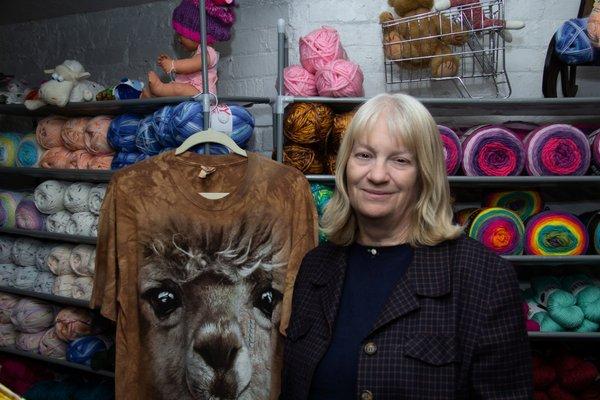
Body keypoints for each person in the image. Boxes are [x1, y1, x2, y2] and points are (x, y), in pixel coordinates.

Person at [280, 93, 532, 399]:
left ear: (424, 174)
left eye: (400, 160)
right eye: (364, 155)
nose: (376, 175)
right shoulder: (316, 267)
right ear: (345, 165)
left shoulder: (482, 277)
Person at [142, 0, 219, 98]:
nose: (178, 39)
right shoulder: (196, 52)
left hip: (203, 93)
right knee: (174, 87)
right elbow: (188, 69)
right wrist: (173, 66)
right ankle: (150, 98)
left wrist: (173, 65)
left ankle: (159, 88)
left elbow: (194, 64)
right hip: (192, 90)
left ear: (196, 34)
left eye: (181, 34)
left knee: (179, 89)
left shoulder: (208, 52)